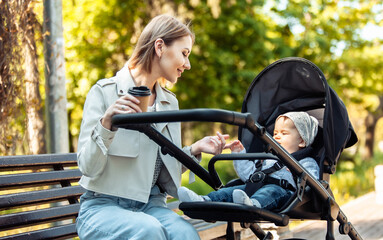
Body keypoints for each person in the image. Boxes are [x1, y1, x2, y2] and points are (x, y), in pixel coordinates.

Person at [76, 14, 230, 240]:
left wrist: (194, 150)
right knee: (148, 231)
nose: (187, 64)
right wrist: (107, 124)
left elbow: (164, 177)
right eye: (184, 54)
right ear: (160, 46)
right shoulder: (104, 92)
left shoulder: (170, 103)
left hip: (151, 206)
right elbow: (87, 167)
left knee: (185, 234)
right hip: (103, 207)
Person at [178, 111, 320, 211]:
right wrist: (239, 152)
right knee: (231, 191)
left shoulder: (305, 161)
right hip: (253, 188)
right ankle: (203, 201)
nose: (276, 137)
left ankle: (252, 205)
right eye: (275, 133)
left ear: (302, 140)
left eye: (284, 133)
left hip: (283, 193)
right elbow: (249, 175)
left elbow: (313, 185)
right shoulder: (266, 159)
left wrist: (299, 173)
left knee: (270, 192)